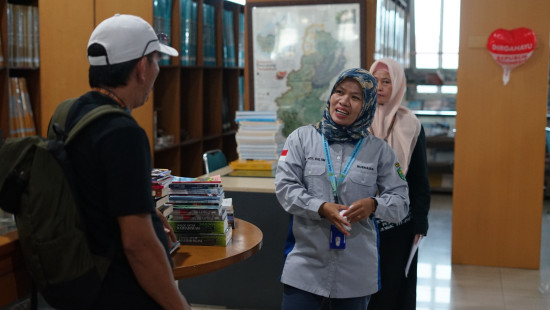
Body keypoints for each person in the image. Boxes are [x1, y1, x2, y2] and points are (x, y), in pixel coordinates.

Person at [63, 14, 191, 309]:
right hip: (119, 291)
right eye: (157, 59)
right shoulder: (123, 132)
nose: (158, 69)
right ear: (142, 67)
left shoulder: (74, 112)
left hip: (85, 284)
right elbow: (138, 245)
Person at [275, 68, 410, 310]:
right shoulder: (300, 139)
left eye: (356, 97)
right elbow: (285, 189)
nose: (344, 101)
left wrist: (374, 205)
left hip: (356, 272)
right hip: (305, 267)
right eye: (339, 92)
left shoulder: (380, 151)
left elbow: (401, 201)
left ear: (367, 105)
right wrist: (321, 207)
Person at [367, 58, 430, 310]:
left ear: (398, 85)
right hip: (362, 219)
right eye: (374, 81)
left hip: (398, 222)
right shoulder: (356, 118)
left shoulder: (410, 124)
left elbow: (418, 179)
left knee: (393, 289)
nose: (379, 87)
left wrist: (420, 222)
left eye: (387, 81)